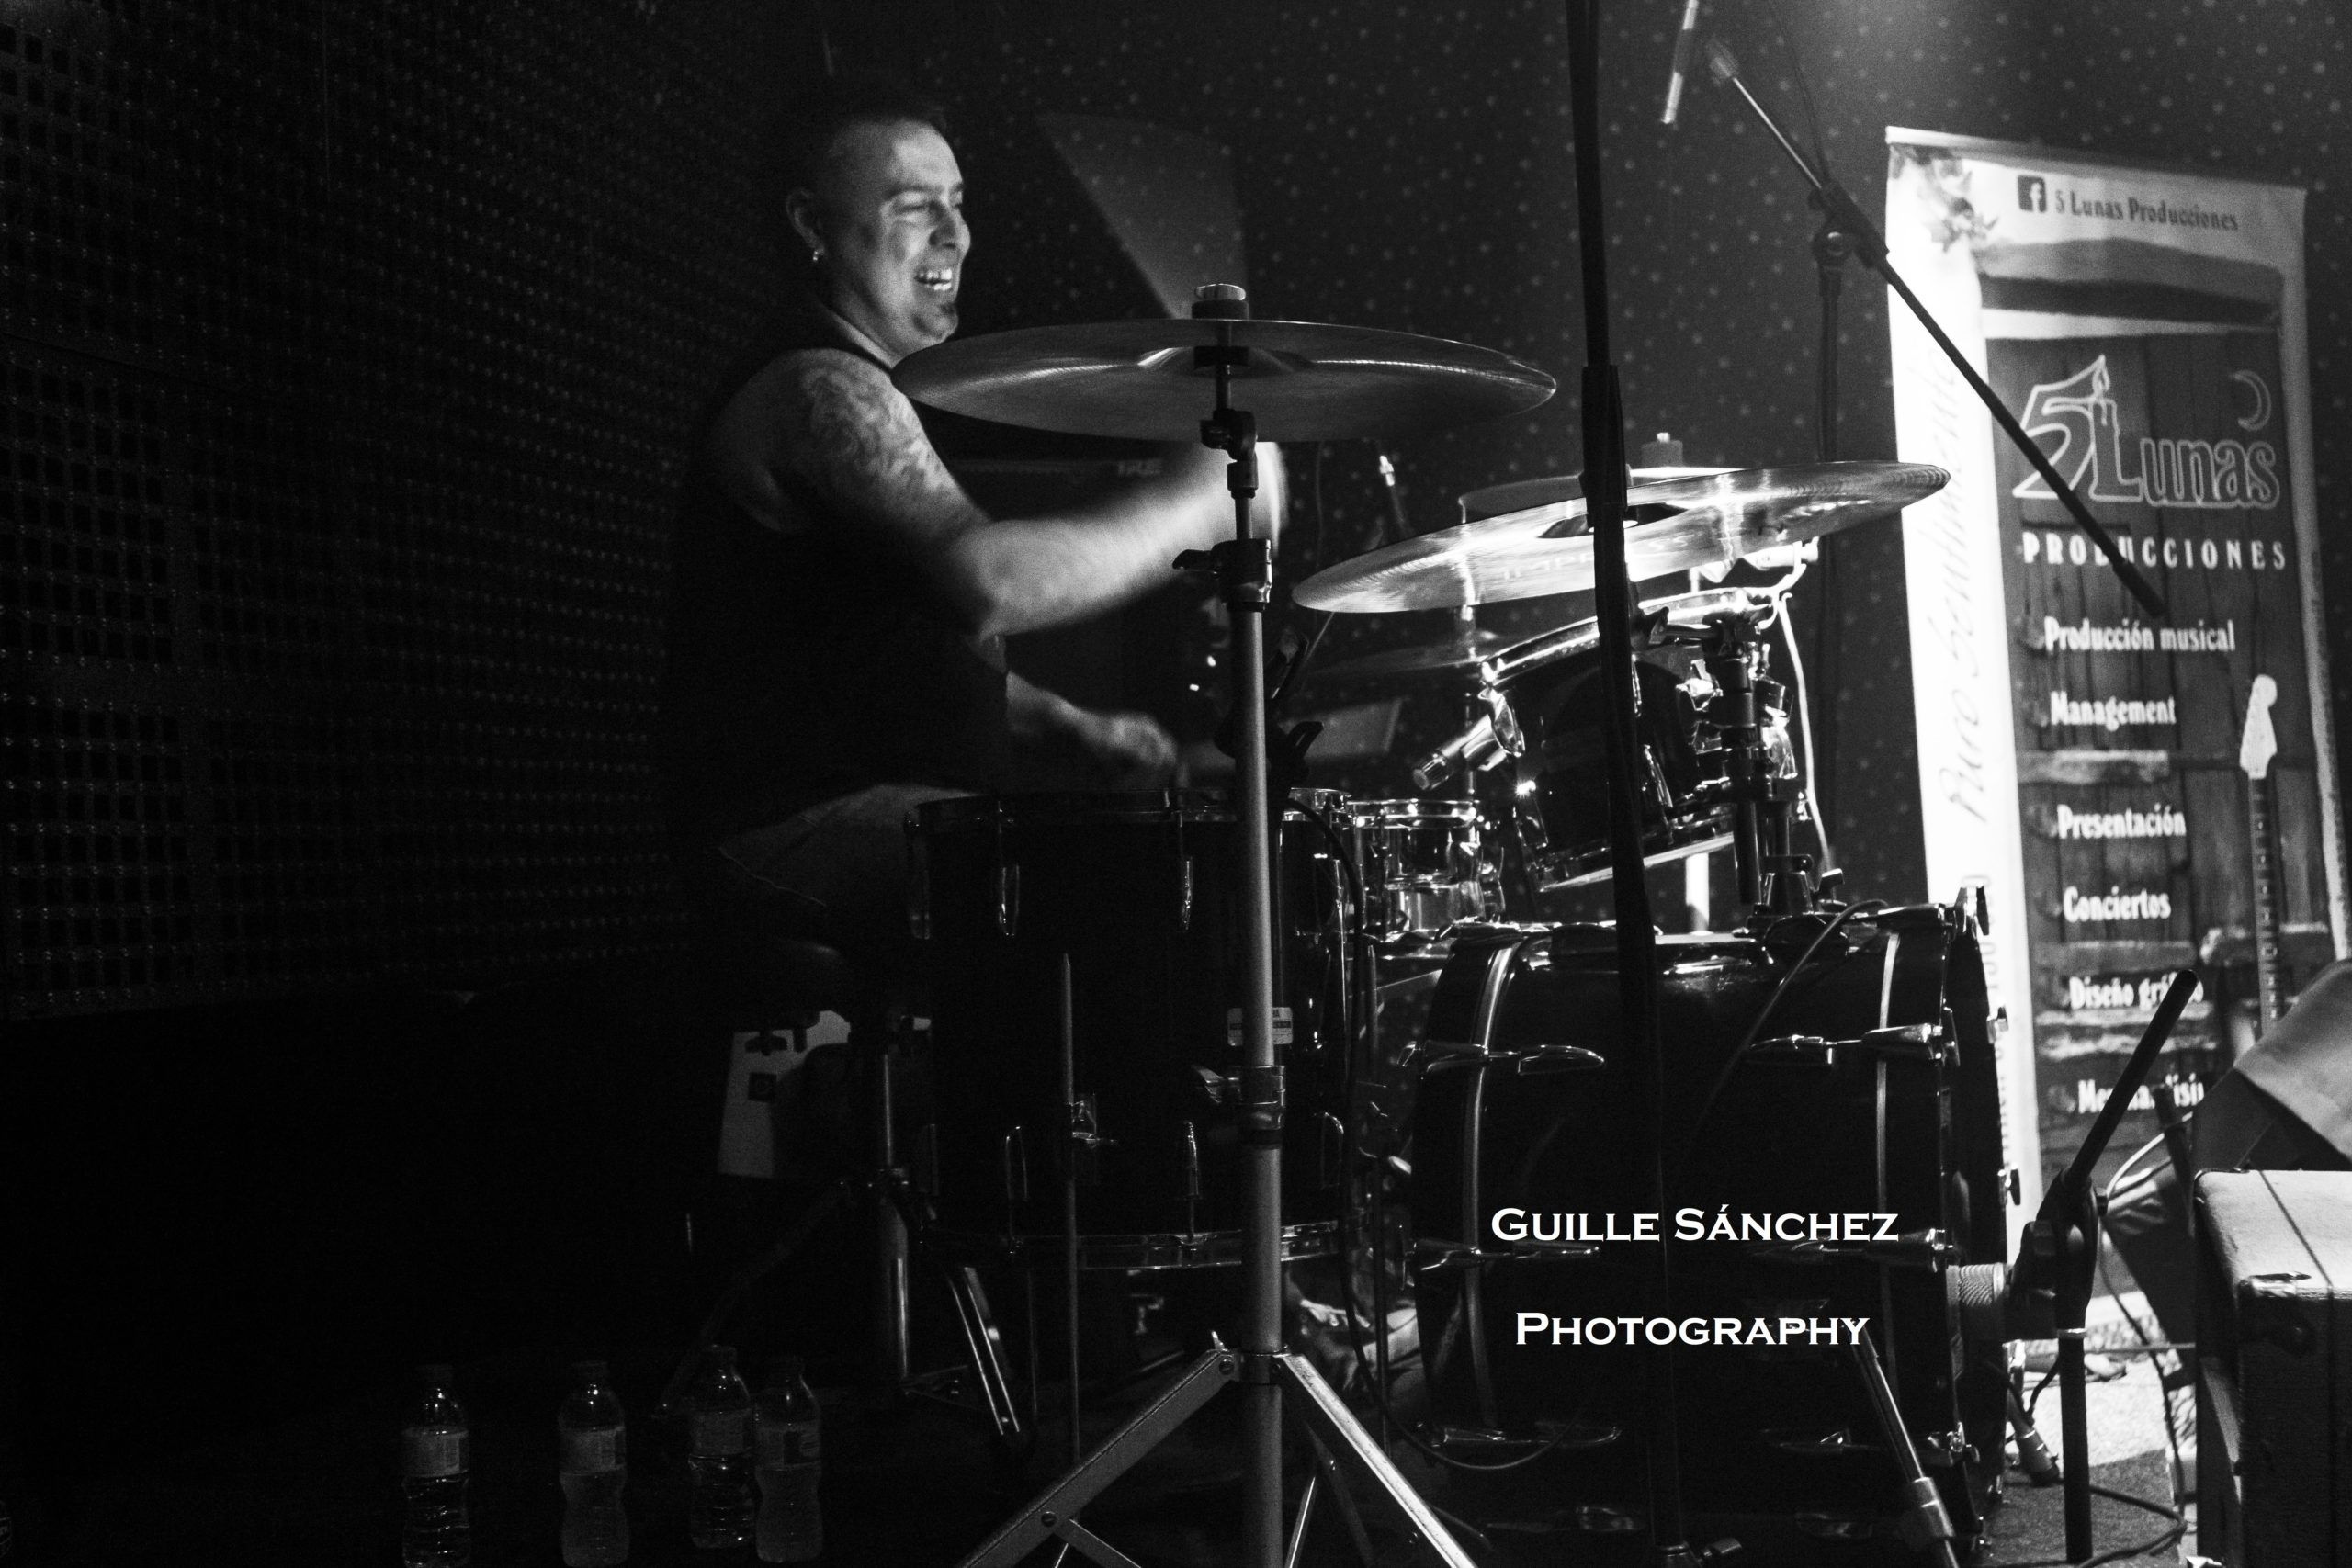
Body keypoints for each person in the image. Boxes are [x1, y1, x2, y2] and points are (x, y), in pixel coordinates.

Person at [661, 74, 1272, 986]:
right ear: (812, 225)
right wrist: (1204, 504)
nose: (956, 234)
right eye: (916, 207)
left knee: (1137, 853)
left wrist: (1065, 724)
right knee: (1132, 882)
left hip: (869, 804)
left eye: (958, 202)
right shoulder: (818, 388)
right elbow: (988, 584)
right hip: (786, 832)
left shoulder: (865, 385)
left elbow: (871, 659)